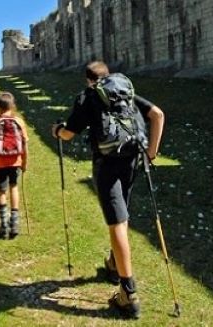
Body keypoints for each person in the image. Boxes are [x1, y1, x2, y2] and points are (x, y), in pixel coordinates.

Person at [51, 61, 164, 319]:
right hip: (133, 160)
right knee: (122, 212)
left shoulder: (89, 96)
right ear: (109, 75)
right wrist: (152, 153)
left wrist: (57, 130)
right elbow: (157, 114)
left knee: (117, 223)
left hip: (108, 165)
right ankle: (114, 264)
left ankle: (128, 293)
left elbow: (68, 134)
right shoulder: (126, 91)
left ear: (88, 80)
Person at [0, 92, 28, 239]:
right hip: (16, 161)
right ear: (13, 105)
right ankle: (14, 223)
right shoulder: (19, 121)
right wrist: (25, 162)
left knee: (2, 191)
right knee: (13, 187)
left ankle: (4, 226)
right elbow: (25, 145)